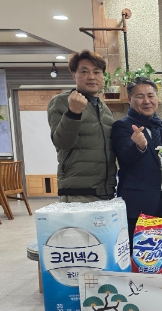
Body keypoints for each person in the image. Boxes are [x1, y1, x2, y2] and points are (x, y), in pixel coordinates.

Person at [47, 50, 116, 202]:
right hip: (77, 192)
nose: (91, 77)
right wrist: (73, 113)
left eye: (96, 72)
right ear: (74, 75)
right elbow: (62, 143)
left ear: (103, 76)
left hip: (106, 191)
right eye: (84, 71)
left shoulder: (103, 107)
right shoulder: (61, 102)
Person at [111, 77, 162, 241]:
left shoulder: (159, 127)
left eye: (150, 96)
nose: (146, 101)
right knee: (137, 251)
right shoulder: (122, 125)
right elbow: (124, 156)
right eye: (140, 96)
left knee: (161, 251)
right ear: (129, 99)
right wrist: (138, 146)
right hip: (137, 205)